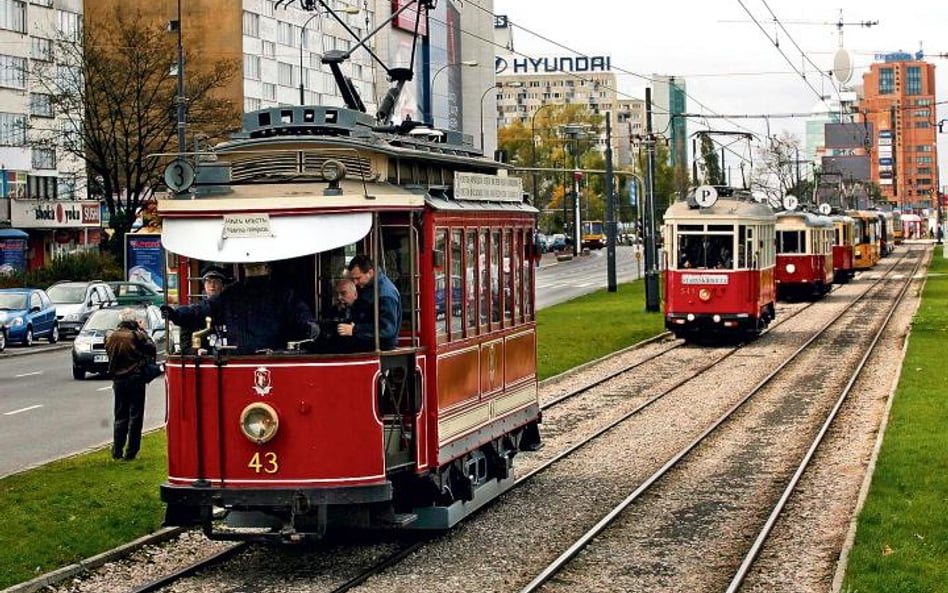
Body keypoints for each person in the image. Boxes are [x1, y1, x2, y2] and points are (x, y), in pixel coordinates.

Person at [162, 262, 319, 354]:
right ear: (245, 270)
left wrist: (309, 326)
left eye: (258, 268)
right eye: (251, 269)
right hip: (239, 360)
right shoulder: (232, 294)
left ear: (267, 269)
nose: (254, 273)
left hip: (274, 358)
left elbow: (300, 316)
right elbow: (204, 309)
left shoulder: (283, 294)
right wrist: (176, 314)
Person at [105, 309, 157, 461]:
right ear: (134, 321)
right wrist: (142, 330)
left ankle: (117, 450)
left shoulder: (111, 336)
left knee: (120, 415)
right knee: (135, 416)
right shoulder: (137, 336)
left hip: (118, 380)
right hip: (135, 378)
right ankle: (131, 452)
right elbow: (151, 347)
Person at [339, 255, 401, 351]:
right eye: (353, 279)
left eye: (358, 278)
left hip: (380, 348)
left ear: (370, 272)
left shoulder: (386, 294)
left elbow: (387, 330)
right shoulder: (368, 287)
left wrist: (355, 330)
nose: (355, 282)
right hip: (368, 345)